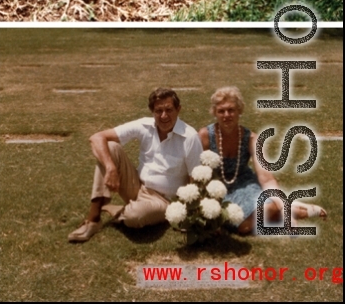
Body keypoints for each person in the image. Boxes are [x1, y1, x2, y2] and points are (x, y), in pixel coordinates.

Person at [68, 87, 202, 242]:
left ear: (178, 110)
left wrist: (192, 214)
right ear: (152, 112)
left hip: (164, 200)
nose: (164, 116)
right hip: (137, 186)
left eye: (169, 110)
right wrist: (111, 167)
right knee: (110, 148)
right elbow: (97, 138)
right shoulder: (145, 126)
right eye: (158, 111)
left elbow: (196, 179)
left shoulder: (190, 137)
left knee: (135, 217)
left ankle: (124, 211)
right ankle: (93, 220)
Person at [198, 86, 327, 235]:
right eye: (221, 111)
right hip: (216, 189)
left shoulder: (252, 139)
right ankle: (295, 209)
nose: (226, 115)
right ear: (215, 113)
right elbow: (196, 174)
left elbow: (267, 179)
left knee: (253, 218)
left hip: (245, 185)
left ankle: (282, 208)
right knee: (242, 226)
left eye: (231, 110)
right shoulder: (204, 136)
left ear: (239, 110)